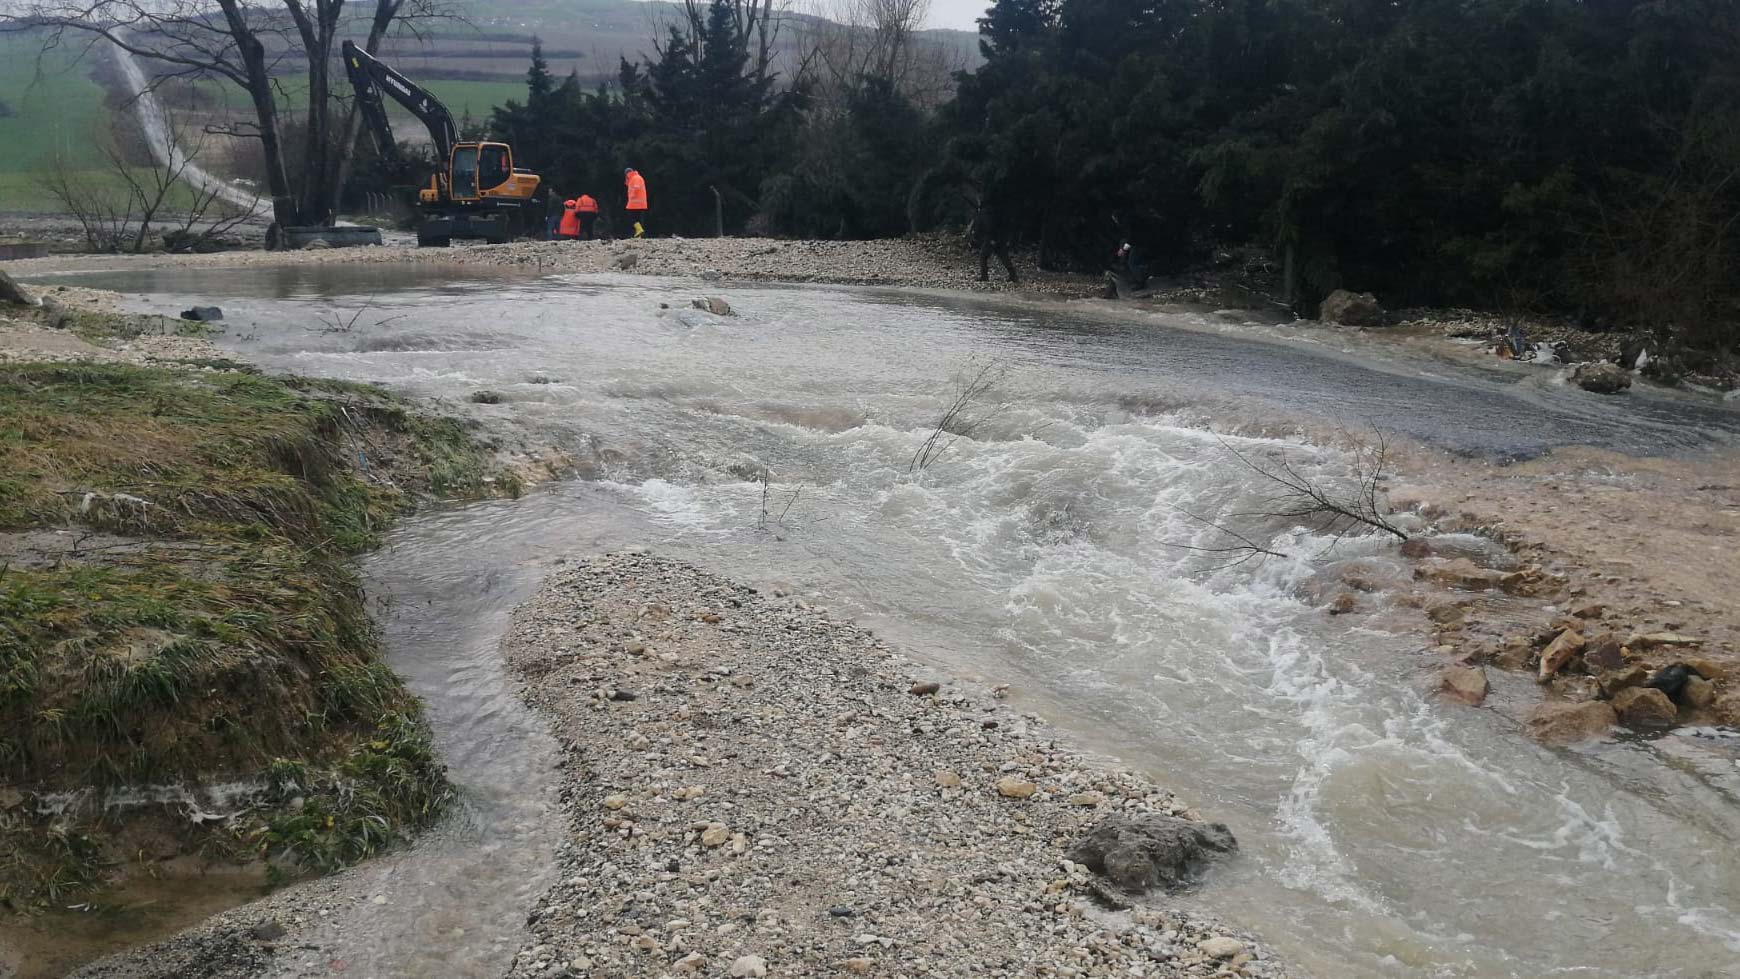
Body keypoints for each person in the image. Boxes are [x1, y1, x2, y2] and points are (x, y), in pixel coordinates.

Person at [967, 199, 1017, 283]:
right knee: (1003, 256)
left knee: (983, 257)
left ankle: (984, 276)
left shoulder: (984, 213)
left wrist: (976, 237)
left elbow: (985, 226)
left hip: (991, 238)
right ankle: (1013, 275)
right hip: (1000, 238)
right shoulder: (996, 211)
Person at [624, 167, 648, 238]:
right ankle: (639, 234)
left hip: (635, 202)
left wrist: (631, 196)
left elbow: (636, 188)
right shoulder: (635, 178)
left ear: (627, 173)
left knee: (631, 217)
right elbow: (627, 185)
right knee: (638, 218)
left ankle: (639, 230)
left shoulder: (635, 178)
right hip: (640, 202)